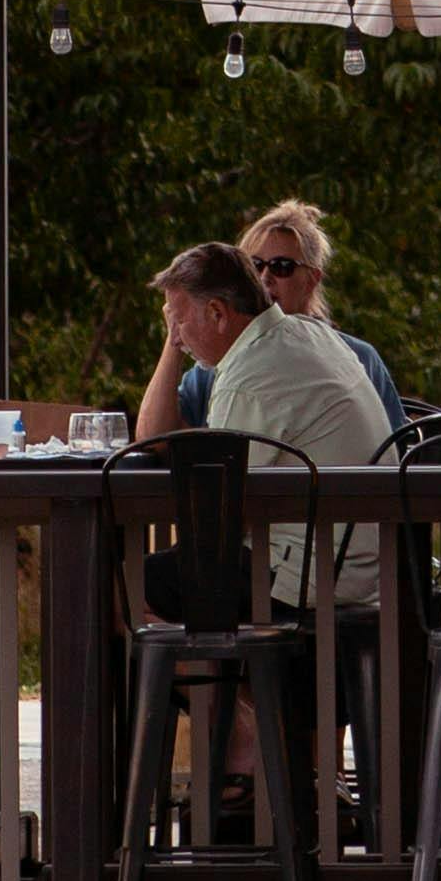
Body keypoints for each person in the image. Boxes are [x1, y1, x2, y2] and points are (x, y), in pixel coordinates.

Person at [140, 237, 389, 608]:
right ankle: (225, 663)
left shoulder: (248, 378)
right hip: (366, 562)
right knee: (177, 570)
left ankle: (155, 667)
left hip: (315, 572)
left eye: (177, 322)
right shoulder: (310, 333)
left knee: (130, 577)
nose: (176, 337)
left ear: (217, 314)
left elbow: (218, 515)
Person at [137, 195, 408, 439]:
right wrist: (177, 331)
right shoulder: (220, 361)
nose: (264, 277)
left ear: (312, 281)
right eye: (254, 266)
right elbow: (153, 440)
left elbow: (391, 452)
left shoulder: (355, 356)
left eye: (282, 267)